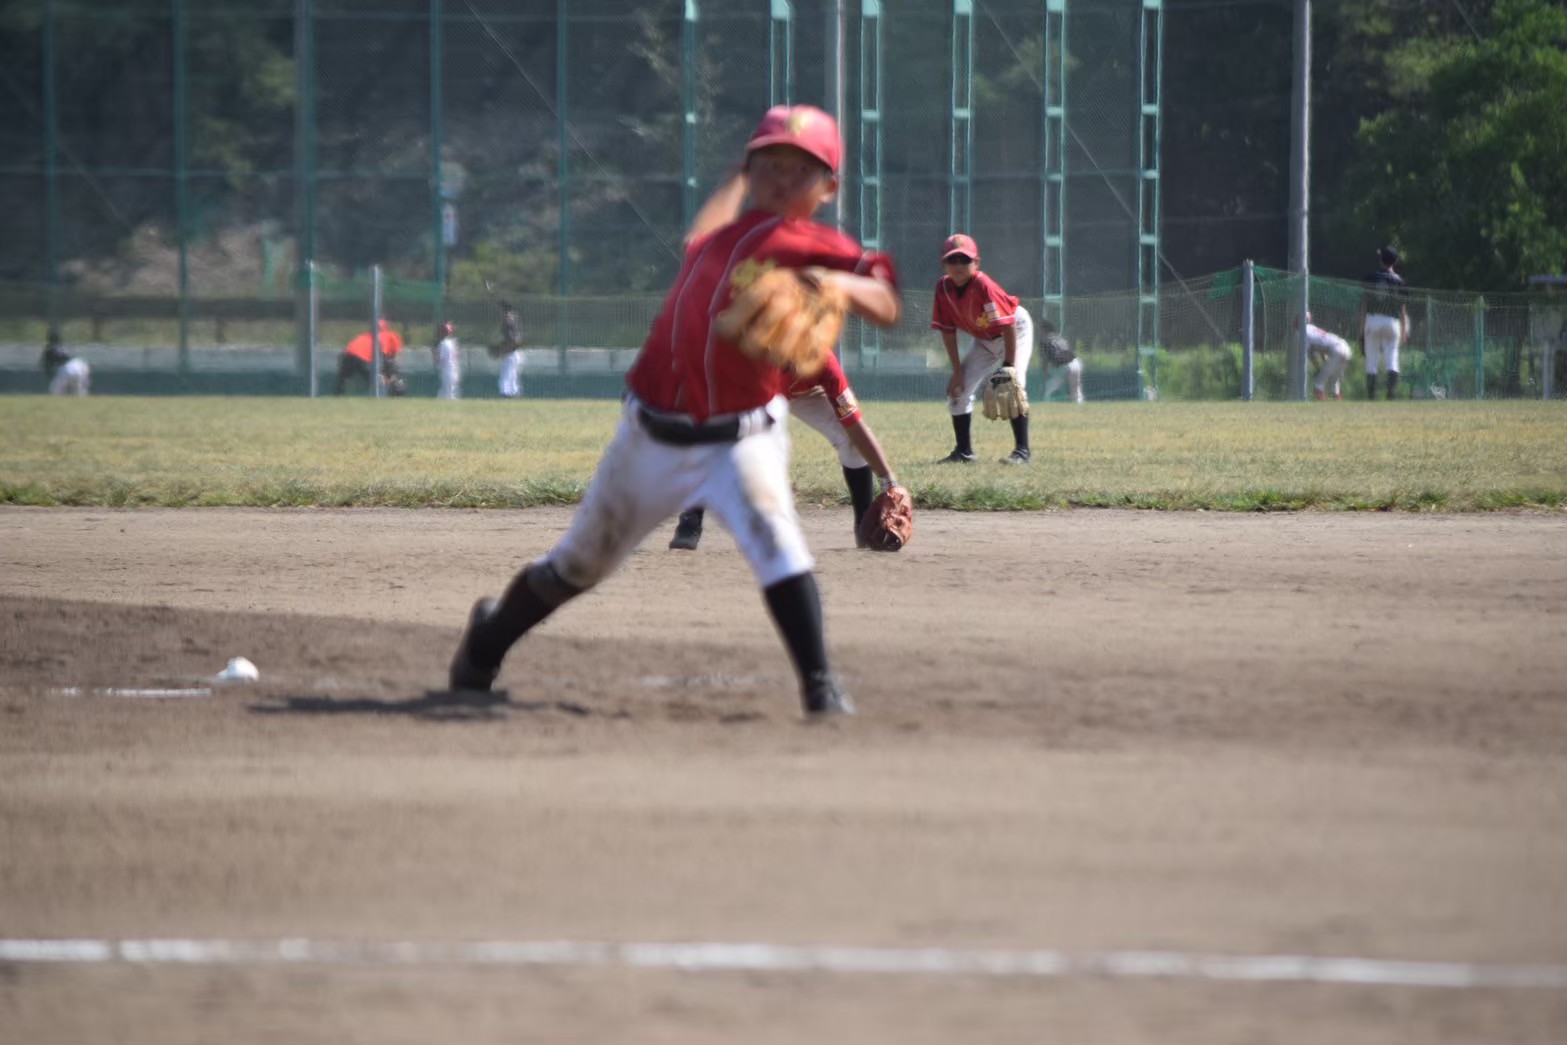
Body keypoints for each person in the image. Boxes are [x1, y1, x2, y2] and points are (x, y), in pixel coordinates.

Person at [447, 104, 901, 717]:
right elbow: (700, 232)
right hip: (651, 439)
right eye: (769, 164)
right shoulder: (713, 242)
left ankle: (820, 685)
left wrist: (835, 283)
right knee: (579, 564)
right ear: (749, 171)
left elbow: (885, 299)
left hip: (743, 439)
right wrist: (734, 177)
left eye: (801, 170)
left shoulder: (818, 249)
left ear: (829, 188)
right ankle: (486, 642)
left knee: (779, 545)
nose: (782, 178)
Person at [668, 351, 901, 551]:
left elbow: (855, 425)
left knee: (850, 440)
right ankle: (691, 518)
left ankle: (864, 525)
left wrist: (889, 482)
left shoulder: (823, 362)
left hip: (803, 391)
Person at [931, 234, 1035, 464]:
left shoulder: (982, 284)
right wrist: (957, 372)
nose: (958, 265)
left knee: (1013, 386)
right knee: (958, 391)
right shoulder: (943, 288)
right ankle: (964, 452)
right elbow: (948, 331)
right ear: (944, 264)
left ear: (976, 262)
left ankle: (1022, 451)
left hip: (1015, 330)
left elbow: (1008, 324)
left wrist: (1009, 366)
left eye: (964, 259)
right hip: (984, 339)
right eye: (952, 260)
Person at [1359, 244, 1409, 400]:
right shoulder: (1400, 281)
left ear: (1381, 259)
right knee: (1392, 358)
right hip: (1392, 323)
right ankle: (1391, 394)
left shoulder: (1371, 278)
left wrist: (1361, 331)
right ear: (1395, 261)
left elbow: (1364, 305)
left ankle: (1372, 397)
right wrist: (1404, 332)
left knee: (1371, 360)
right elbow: (1403, 310)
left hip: (1373, 319)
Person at [335, 318, 406, 396]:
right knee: (377, 381)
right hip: (363, 358)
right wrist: (390, 375)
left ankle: (338, 395)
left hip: (348, 355)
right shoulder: (389, 335)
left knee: (342, 379)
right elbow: (390, 355)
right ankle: (389, 394)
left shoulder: (364, 336)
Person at [1302, 312, 1353, 400]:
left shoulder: (1304, 332)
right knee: (1333, 380)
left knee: (1319, 381)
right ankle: (1337, 401)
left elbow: (1310, 355)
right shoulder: (1313, 328)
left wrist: (1319, 368)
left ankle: (1321, 404)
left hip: (1337, 351)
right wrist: (1325, 364)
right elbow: (1322, 348)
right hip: (1346, 348)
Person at [1038, 319, 1084, 404]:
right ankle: (1080, 406)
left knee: (1047, 388)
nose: (1039, 332)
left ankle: (1044, 403)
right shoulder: (1059, 338)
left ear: (1044, 330)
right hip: (1076, 363)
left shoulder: (1044, 341)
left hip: (1064, 366)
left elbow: (1045, 360)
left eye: (1040, 329)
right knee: (1076, 390)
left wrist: (1044, 376)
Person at [41, 328, 90, 396]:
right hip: (78, 365)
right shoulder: (63, 346)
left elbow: (46, 366)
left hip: (66, 369)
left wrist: (49, 374)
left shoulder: (49, 350)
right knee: (79, 394)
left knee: (55, 392)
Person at [493, 302, 525, 398]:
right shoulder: (512, 325)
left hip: (511, 353)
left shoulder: (510, 326)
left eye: (507, 314)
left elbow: (515, 341)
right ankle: (513, 393)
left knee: (506, 375)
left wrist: (503, 351)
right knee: (512, 376)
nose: (505, 316)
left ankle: (505, 394)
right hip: (513, 354)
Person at [433, 321, 461, 400]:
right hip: (454, 370)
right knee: (448, 394)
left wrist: (433, 353)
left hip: (448, 371)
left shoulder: (443, 343)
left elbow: (439, 360)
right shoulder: (453, 343)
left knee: (448, 396)